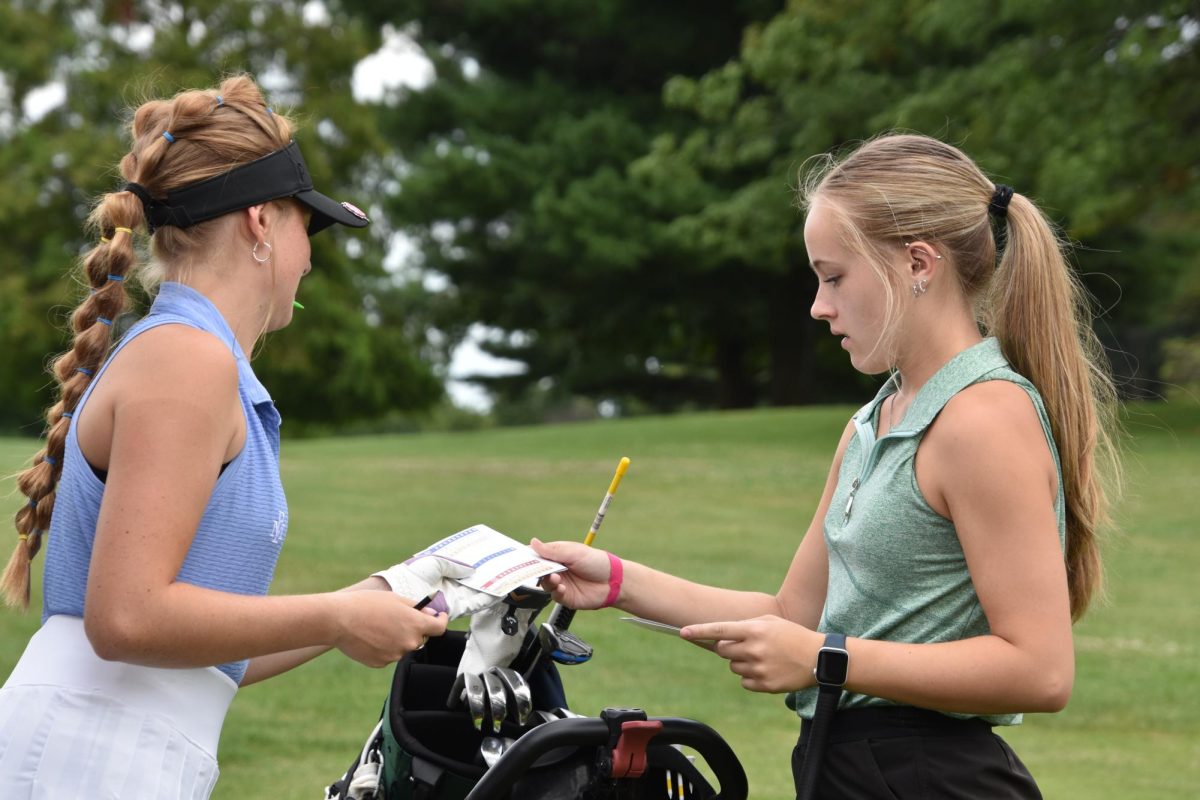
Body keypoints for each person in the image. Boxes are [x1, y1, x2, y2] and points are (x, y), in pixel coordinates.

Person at [533, 133, 1121, 798]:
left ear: (918, 264)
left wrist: (824, 660)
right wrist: (612, 581)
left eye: (835, 276)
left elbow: (1040, 671)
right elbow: (792, 615)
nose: (819, 305)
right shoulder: (871, 424)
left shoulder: (983, 420)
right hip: (842, 769)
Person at [0, 75, 447, 799]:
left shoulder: (197, 358)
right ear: (262, 223)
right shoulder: (189, 359)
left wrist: (373, 599)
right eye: (311, 226)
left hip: (119, 750)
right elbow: (128, 618)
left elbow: (202, 652)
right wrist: (335, 614)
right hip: (89, 756)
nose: (311, 255)